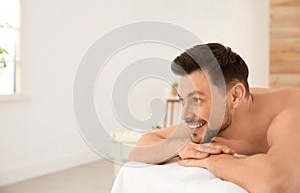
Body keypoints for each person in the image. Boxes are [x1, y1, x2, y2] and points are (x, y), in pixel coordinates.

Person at [128, 43, 300, 193]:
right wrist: (179, 148)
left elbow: (277, 183)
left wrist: (211, 160)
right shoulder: (212, 121)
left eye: (196, 100)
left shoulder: (289, 114)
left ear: (235, 96)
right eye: (183, 100)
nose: (184, 115)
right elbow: (141, 148)